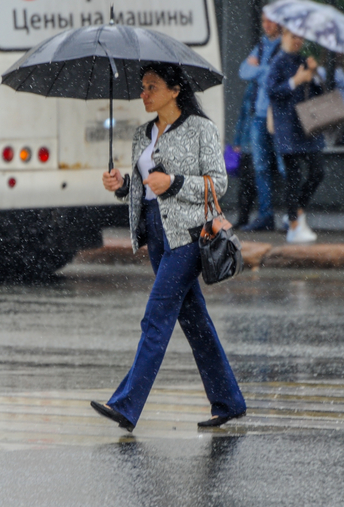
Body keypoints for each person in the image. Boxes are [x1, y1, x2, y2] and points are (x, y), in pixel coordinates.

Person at [94, 63, 247, 431]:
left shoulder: (200, 129)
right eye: (142, 87)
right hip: (157, 236)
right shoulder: (141, 134)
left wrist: (175, 182)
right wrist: (121, 186)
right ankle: (228, 401)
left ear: (175, 90)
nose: (143, 94)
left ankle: (127, 405)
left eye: (152, 87)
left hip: (190, 237)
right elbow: (145, 191)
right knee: (195, 322)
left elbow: (218, 183)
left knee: (156, 317)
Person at [267, 29, 325, 243]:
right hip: (288, 127)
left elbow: (318, 92)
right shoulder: (278, 61)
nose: (297, 41)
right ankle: (293, 223)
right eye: (293, 36)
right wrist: (295, 80)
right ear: (284, 37)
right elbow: (271, 91)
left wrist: (314, 75)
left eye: (300, 37)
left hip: (308, 125)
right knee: (293, 177)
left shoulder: (304, 59)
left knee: (318, 171)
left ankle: (296, 212)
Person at [238, 14, 286, 232]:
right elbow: (242, 71)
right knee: (260, 167)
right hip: (258, 115)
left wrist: (260, 69)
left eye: (271, 21)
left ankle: (290, 216)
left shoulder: (285, 46)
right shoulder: (260, 46)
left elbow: (277, 75)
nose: (266, 25)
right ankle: (266, 216)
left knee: (285, 166)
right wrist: (265, 70)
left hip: (278, 114)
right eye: (264, 20)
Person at [232, 81, 257, 228]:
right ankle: (243, 217)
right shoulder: (251, 87)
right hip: (247, 143)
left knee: (254, 181)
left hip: (260, 144)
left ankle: (250, 218)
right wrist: (237, 141)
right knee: (245, 183)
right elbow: (243, 115)